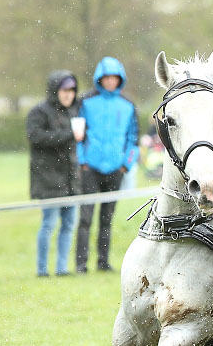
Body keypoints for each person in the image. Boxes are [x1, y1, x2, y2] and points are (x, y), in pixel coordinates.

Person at [76, 56, 139, 273]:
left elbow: (133, 139)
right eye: (106, 78)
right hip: (90, 169)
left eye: (114, 78)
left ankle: (103, 262)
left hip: (116, 170)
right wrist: (82, 162)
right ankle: (80, 264)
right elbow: (79, 136)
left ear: (119, 79)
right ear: (99, 79)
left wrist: (125, 165)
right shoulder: (86, 103)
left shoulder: (128, 105)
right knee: (85, 218)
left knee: (107, 218)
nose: (110, 81)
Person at [26, 71, 82, 277]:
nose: (69, 95)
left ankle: (62, 268)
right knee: (49, 224)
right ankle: (42, 269)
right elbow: (36, 137)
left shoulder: (73, 111)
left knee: (68, 224)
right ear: (55, 91)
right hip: (48, 179)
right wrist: (69, 135)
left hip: (70, 180)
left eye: (72, 90)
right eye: (65, 90)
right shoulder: (38, 112)